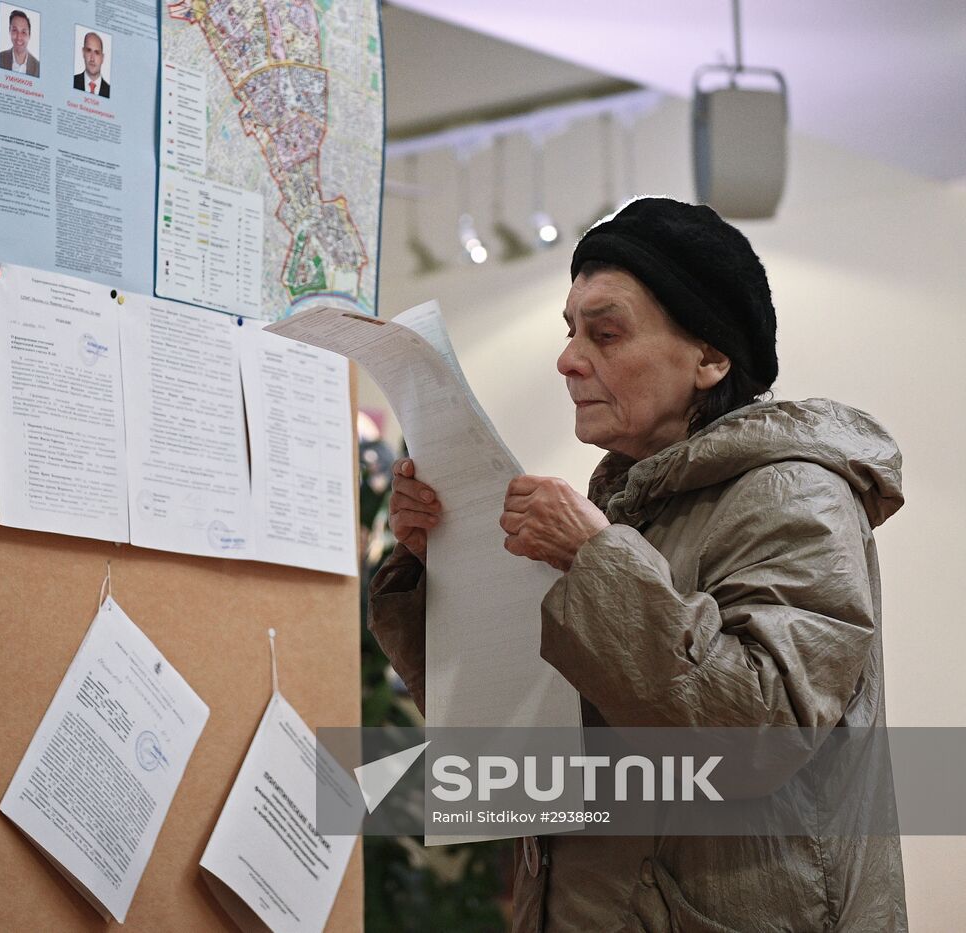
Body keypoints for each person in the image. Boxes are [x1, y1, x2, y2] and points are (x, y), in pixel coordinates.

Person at [369, 197, 907, 931]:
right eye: (569, 331)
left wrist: (593, 558)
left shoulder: (797, 495)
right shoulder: (624, 513)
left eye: (607, 332)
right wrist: (445, 570)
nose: (567, 358)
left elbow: (755, 736)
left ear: (710, 356)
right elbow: (519, 750)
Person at [0, 10, 38, 75]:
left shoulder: (38, 67)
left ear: (29, 35)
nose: (19, 37)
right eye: (15, 30)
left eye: (23, 32)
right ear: (9, 31)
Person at [73, 31, 110, 98]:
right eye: (89, 50)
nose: (92, 58)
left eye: (97, 52)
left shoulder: (109, 91)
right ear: (83, 53)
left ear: (102, 58)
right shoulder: (72, 82)